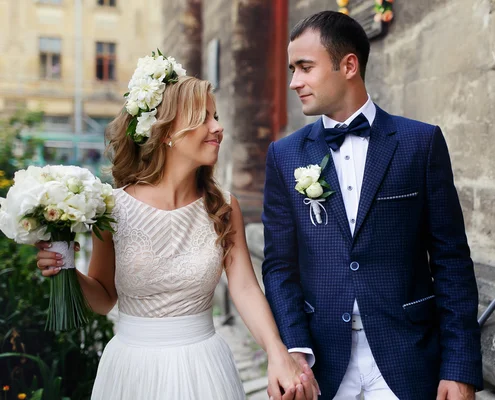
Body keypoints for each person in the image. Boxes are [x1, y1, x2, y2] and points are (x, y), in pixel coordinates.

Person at [34, 54, 317, 400]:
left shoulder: (224, 207)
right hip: (131, 371)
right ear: (166, 131)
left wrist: (277, 351)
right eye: (204, 118)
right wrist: (66, 270)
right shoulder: (111, 208)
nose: (218, 127)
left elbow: (244, 288)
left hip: (205, 369)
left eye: (216, 117)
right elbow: (104, 300)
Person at [262, 11, 483, 400]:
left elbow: (451, 261)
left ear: (348, 65)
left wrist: (459, 367)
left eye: (305, 67)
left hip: (408, 356)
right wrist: (294, 349)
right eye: (292, 69)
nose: (294, 81)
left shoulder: (421, 143)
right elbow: (280, 265)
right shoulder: (284, 155)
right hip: (322, 365)